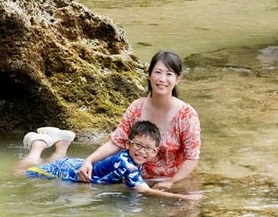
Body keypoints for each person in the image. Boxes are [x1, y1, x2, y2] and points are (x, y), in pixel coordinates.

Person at [78, 50, 200, 190]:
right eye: (158, 72)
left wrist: (171, 182)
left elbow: (192, 157)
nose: (162, 79)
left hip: (171, 179)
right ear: (149, 75)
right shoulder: (136, 107)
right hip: (134, 178)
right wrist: (89, 160)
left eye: (169, 74)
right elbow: (116, 142)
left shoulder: (186, 115)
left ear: (177, 79)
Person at [13, 122, 202, 201]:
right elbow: (146, 192)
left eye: (148, 148)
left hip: (77, 167)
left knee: (57, 163)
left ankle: (62, 144)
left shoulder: (133, 159)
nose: (142, 151)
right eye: (138, 145)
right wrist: (185, 198)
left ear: (155, 152)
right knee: (19, 174)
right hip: (68, 172)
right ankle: (38, 145)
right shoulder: (125, 163)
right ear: (128, 144)